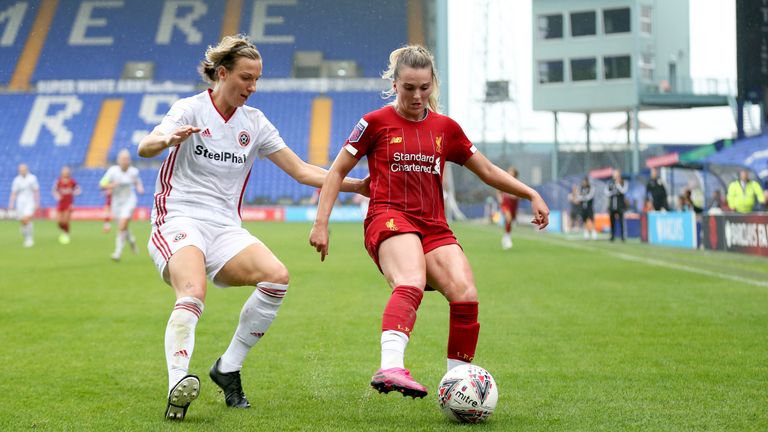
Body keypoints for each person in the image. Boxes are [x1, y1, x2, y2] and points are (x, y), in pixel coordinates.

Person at [136, 35, 368, 421]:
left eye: (257, 79)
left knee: (276, 277)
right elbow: (146, 145)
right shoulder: (189, 109)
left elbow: (302, 170)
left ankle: (227, 368)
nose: (252, 87)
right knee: (193, 290)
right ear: (222, 73)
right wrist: (164, 138)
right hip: (178, 218)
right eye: (246, 78)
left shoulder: (254, 123)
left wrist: (356, 185)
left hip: (225, 227)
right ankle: (178, 381)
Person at [308, 45, 549, 399]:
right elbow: (336, 172)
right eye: (408, 88)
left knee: (465, 293)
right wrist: (320, 223)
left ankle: (457, 386)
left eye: (424, 87)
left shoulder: (446, 128)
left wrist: (530, 193)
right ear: (394, 85)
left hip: (434, 225)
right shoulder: (373, 123)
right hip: (388, 216)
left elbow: (486, 170)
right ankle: (390, 366)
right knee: (411, 279)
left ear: (433, 83)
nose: (417, 95)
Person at [100, 149, 144, 261]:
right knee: (123, 227)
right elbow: (102, 184)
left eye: (127, 159)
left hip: (129, 201)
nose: (125, 161)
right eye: (123, 159)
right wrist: (111, 185)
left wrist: (140, 188)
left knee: (122, 225)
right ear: (118, 160)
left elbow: (137, 181)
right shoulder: (112, 171)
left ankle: (117, 253)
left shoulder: (134, 171)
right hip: (116, 203)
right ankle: (132, 240)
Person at [8, 163, 40, 247]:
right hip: (20, 203)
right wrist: (11, 203)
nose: (22, 171)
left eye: (23, 169)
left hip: (30, 202)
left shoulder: (32, 178)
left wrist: (37, 202)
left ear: (26, 169)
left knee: (26, 219)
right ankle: (26, 237)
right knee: (23, 222)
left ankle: (29, 239)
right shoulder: (16, 180)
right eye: (20, 170)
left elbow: (36, 190)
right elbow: (14, 192)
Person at [52, 166, 81, 244]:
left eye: (66, 171)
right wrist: (57, 196)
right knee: (59, 222)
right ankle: (64, 231)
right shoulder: (58, 181)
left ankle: (66, 234)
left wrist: (75, 192)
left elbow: (78, 189)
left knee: (65, 220)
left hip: (69, 203)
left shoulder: (72, 181)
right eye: (64, 171)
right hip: (61, 203)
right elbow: (54, 190)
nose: (65, 172)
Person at [497, 166, 519, 249]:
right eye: (509, 171)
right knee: (508, 219)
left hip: (513, 203)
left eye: (512, 172)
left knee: (510, 221)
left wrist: (516, 196)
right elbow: (499, 191)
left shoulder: (517, 183)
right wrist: (500, 199)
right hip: (505, 203)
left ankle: (506, 236)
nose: (510, 173)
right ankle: (507, 238)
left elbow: (519, 194)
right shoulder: (504, 181)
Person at [605, 168, 628, 242]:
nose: (614, 175)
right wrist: (613, 192)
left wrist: (618, 185)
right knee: (612, 222)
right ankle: (612, 236)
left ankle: (622, 236)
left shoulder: (623, 182)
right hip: (612, 205)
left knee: (621, 222)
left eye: (615, 174)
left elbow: (623, 190)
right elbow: (607, 192)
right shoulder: (610, 183)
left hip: (620, 205)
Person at [578, 176, 597, 240]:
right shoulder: (581, 188)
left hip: (589, 207)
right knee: (584, 220)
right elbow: (578, 196)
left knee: (591, 219)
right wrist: (583, 197)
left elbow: (590, 196)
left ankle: (594, 232)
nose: (583, 183)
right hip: (583, 207)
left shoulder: (591, 188)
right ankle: (586, 234)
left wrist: (583, 197)